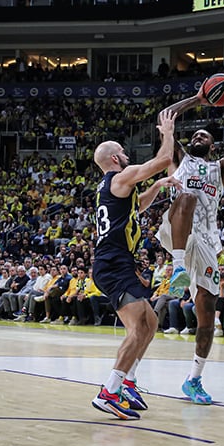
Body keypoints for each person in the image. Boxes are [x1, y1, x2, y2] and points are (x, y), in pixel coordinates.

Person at [157, 78, 224, 404]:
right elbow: (165, 117)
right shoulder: (180, 159)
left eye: (203, 136)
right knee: (188, 198)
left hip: (208, 241)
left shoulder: (219, 169)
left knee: (207, 310)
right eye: (194, 134)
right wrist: (197, 99)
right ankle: (178, 266)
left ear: (211, 145)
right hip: (177, 230)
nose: (197, 137)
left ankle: (194, 378)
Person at [91, 109, 182, 420]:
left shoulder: (113, 188)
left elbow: (135, 208)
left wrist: (156, 188)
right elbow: (163, 160)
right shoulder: (120, 177)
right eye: (123, 151)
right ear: (115, 158)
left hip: (119, 262)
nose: (127, 155)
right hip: (113, 263)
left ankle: (128, 383)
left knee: (150, 322)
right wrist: (167, 133)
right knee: (137, 327)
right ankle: (109, 391)